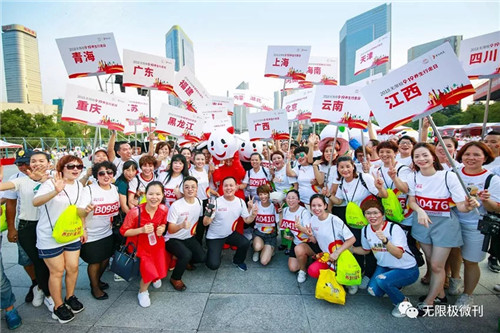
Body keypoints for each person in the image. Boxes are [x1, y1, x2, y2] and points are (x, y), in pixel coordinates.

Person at [407, 143, 479, 315]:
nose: (421, 159)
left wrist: (469, 206)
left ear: (433, 157)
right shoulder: (414, 177)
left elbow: (461, 206)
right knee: (432, 262)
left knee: (437, 266)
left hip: (445, 225)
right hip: (423, 224)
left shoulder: (448, 176)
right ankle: (440, 294)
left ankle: (429, 302)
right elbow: (412, 201)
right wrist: (420, 210)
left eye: (425, 155)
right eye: (417, 156)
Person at [33, 155, 86, 324]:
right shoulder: (50, 183)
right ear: (62, 168)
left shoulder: (79, 185)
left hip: (71, 234)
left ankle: (70, 296)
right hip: (50, 236)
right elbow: (36, 202)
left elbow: (79, 211)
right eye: (71, 166)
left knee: (73, 267)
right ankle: (58, 306)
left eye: (79, 166)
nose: (75, 169)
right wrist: (55, 191)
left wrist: (84, 223)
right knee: (57, 271)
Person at [0, 151, 53, 311]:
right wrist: (11, 228)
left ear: (49, 163)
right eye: (33, 161)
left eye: (41, 160)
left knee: (50, 262)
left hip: (50, 225)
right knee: (35, 261)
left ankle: (47, 289)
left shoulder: (56, 177)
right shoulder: (20, 180)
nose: (37, 164)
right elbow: (8, 196)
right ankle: (45, 291)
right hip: (28, 226)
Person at [329, 156, 388, 293]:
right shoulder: (342, 182)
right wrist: (328, 196)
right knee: (356, 247)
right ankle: (358, 273)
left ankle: (368, 274)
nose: (345, 170)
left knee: (371, 248)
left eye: (347, 166)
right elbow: (339, 201)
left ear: (353, 166)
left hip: (370, 219)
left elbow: (383, 195)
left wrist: (380, 187)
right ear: (337, 169)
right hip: (353, 221)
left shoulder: (364, 178)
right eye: (341, 167)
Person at [451, 142, 500, 306]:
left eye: (476, 155)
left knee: (471, 260)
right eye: (467, 154)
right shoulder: (453, 173)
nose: (471, 158)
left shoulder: (492, 179)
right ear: (461, 156)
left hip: (476, 226)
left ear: (485, 157)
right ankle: (455, 279)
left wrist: (485, 201)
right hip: (452, 223)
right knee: (453, 254)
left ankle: (467, 294)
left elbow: (496, 209)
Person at [351, 200, 419, 318]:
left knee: (383, 281)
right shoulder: (366, 230)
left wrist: (385, 241)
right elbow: (366, 250)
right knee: (373, 290)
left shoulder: (394, 228)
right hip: (385, 266)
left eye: (375, 213)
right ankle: (394, 283)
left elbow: (398, 254)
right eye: (368, 213)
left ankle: (403, 302)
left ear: (383, 215)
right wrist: (349, 249)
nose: (372, 216)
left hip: (406, 269)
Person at [120, 181, 168, 308]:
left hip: (156, 244)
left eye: (158, 194)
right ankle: (143, 291)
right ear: (145, 195)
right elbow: (124, 231)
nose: (154, 197)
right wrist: (141, 230)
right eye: (151, 194)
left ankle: (155, 277)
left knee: (158, 264)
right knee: (149, 270)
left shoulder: (163, 209)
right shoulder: (135, 212)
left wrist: (162, 229)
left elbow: (163, 223)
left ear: (163, 195)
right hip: (140, 246)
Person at [78, 161, 119, 300]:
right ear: (96, 175)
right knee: (94, 261)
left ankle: (98, 280)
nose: (106, 176)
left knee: (105, 259)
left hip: (107, 231)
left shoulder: (114, 189)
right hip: (91, 233)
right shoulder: (89, 190)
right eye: (102, 173)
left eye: (109, 172)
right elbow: (80, 212)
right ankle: (94, 287)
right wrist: (83, 227)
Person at [4, 150, 38, 305]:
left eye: (27, 162)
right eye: (19, 164)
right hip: (25, 224)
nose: (24, 167)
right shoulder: (15, 178)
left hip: (46, 224)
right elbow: (11, 204)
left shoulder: (50, 175)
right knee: (26, 258)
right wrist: (11, 228)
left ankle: (48, 285)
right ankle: (35, 283)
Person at [204, 177, 258, 271]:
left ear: (236, 187)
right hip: (214, 236)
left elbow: (247, 220)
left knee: (245, 243)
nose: (228, 188)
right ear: (222, 187)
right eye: (226, 186)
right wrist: (208, 213)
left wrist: (253, 215)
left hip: (229, 233)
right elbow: (205, 223)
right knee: (213, 265)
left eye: (231, 185)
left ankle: (238, 261)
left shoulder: (240, 202)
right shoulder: (216, 202)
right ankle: (213, 252)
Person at [300, 194, 356, 286]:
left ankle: (346, 280)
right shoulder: (313, 219)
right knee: (312, 271)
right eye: (313, 206)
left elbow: (352, 239)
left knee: (341, 282)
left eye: (319, 205)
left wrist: (337, 253)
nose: (316, 208)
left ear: (325, 206)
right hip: (327, 256)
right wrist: (308, 234)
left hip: (340, 255)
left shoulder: (334, 220)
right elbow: (314, 241)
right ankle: (333, 275)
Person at [165, 176, 206, 291]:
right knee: (186, 254)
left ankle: (183, 261)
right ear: (183, 189)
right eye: (186, 187)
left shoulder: (199, 201)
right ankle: (175, 278)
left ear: (197, 189)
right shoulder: (176, 206)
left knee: (201, 257)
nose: (190, 189)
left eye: (193, 187)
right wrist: (181, 225)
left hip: (188, 237)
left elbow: (199, 220)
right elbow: (170, 229)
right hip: (172, 238)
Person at [279, 190, 318, 283]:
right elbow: (282, 226)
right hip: (296, 242)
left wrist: (300, 227)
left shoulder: (304, 212)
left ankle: (303, 270)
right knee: (293, 268)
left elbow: (310, 233)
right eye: (288, 198)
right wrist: (287, 235)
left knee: (299, 250)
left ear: (298, 200)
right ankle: (304, 258)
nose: (290, 200)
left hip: (308, 242)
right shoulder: (285, 210)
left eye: (293, 198)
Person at [189, 151, 218, 245]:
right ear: (193, 160)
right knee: (199, 225)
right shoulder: (190, 172)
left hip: (207, 200)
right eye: (198, 159)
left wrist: (214, 192)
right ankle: (198, 245)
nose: (200, 161)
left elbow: (206, 185)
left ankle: (210, 245)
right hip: (197, 201)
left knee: (208, 223)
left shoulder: (205, 170)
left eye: (202, 159)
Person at [251, 185, 279, 265]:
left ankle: (270, 249)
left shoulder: (274, 206)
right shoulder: (256, 205)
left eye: (265, 194)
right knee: (257, 246)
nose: (263, 196)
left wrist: (279, 212)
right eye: (260, 194)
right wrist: (250, 209)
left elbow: (279, 222)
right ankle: (256, 250)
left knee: (264, 261)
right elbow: (248, 221)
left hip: (271, 235)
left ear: (269, 194)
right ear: (258, 195)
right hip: (259, 233)